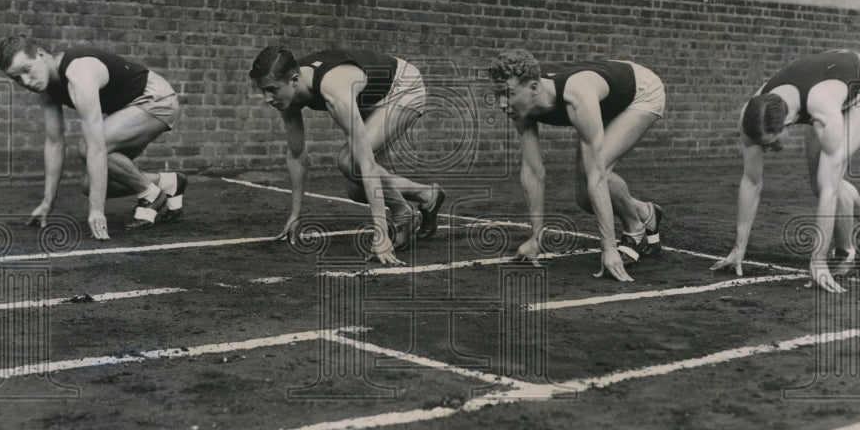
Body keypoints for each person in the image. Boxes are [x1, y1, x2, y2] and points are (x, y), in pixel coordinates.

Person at [249, 45, 446, 265]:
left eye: (272, 89)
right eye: (263, 90)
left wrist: (380, 235)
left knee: (351, 162)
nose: (267, 98)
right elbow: (297, 155)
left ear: (294, 80)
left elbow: (366, 164)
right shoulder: (287, 95)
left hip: (403, 87)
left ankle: (402, 211)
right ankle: (427, 195)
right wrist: (296, 214)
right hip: (371, 96)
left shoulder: (334, 91)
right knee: (356, 189)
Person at [712, 49, 860, 293]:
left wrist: (818, 260)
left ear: (786, 123)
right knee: (819, 183)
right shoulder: (750, 117)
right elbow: (751, 181)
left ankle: (846, 252)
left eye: (772, 142)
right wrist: (738, 248)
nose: (769, 149)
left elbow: (829, 189)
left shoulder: (823, 112)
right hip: (825, 83)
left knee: (827, 181)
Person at [489, 48, 665, 281]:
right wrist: (536, 238)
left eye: (508, 94)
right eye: (498, 94)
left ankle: (636, 229)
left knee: (592, 174)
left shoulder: (575, 97)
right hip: (606, 95)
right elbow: (533, 170)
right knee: (584, 198)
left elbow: (598, 176)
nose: (502, 103)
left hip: (640, 92)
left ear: (533, 88)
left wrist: (609, 248)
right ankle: (645, 212)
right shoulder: (522, 106)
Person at [0, 35, 187, 240]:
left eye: (26, 70)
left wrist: (96, 210)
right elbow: (54, 143)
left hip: (156, 99)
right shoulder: (46, 90)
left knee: (88, 148)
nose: (25, 82)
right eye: (16, 78)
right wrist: (47, 201)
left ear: (41, 55)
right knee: (90, 185)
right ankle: (168, 182)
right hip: (130, 109)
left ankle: (151, 195)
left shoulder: (79, 73)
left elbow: (96, 146)